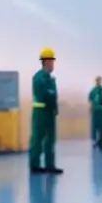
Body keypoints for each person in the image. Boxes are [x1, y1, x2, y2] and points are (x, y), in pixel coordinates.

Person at [29, 47, 63, 175]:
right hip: (40, 112)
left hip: (49, 112)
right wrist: (51, 96)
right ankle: (35, 165)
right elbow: (46, 95)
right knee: (38, 138)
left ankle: (50, 165)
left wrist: (55, 109)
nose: (53, 64)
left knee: (50, 139)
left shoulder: (50, 79)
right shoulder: (39, 77)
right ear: (46, 61)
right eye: (51, 61)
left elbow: (53, 95)